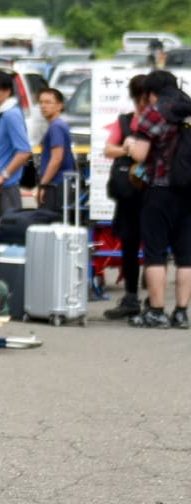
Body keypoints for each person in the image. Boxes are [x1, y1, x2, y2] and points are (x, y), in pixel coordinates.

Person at [126, 70, 191, 328]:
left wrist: (130, 145)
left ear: (152, 92)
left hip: (161, 189)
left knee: (155, 251)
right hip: (189, 191)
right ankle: (181, 312)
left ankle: (156, 311)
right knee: (186, 255)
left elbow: (140, 155)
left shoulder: (155, 113)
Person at [103, 75, 149, 320]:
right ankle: (131, 297)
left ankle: (153, 299)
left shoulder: (161, 122)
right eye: (139, 97)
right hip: (129, 194)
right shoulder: (125, 121)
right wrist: (126, 148)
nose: (142, 103)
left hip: (153, 193)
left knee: (154, 248)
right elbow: (108, 149)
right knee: (129, 246)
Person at [0, 70, 32, 231]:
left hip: (4, 186)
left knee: (6, 229)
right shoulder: (2, 114)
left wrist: (3, 176)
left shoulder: (11, 115)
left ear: (7, 91)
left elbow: (24, 151)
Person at [35, 87, 76, 213]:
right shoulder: (59, 125)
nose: (43, 106)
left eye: (48, 102)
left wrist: (43, 184)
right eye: (41, 102)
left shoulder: (56, 127)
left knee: (50, 220)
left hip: (56, 185)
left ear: (59, 106)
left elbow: (56, 159)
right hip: (60, 184)